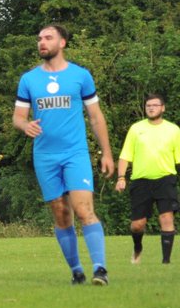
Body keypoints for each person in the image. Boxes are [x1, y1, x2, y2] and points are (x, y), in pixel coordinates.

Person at [13, 23, 115, 285]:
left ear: (62, 43)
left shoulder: (81, 76)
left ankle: (100, 269)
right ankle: (77, 271)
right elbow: (18, 117)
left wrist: (107, 153)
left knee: (83, 209)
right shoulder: (29, 79)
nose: (42, 42)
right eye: (39, 38)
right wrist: (26, 125)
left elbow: (95, 117)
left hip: (75, 153)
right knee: (61, 213)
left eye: (48, 38)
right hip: (45, 156)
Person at [115, 94, 180, 264]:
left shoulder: (174, 130)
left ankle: (165, 262)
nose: (151, 108)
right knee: (137, 224)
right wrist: (121, 177)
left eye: (155, 105)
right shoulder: (136, 129)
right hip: (141, 181)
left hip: (165, 179)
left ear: (163, 108)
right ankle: (137, 248)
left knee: (166, 218)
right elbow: (125, 155)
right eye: (148, 105)